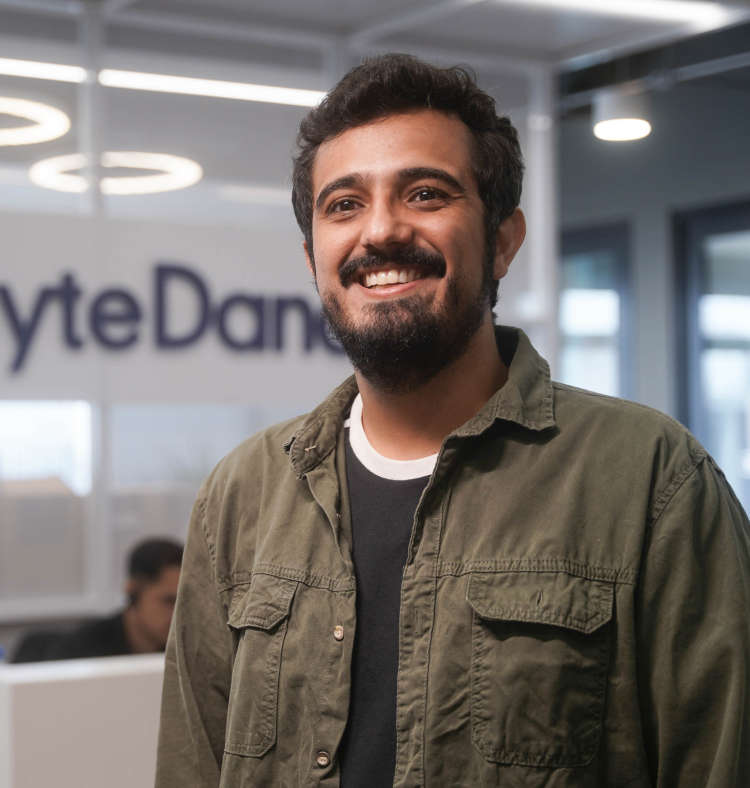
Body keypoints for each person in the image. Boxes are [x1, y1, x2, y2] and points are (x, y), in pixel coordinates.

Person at [155, 54, 750, 788]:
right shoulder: (241, 498)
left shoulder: (652, 481)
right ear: (313, 258)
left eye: (425, 193)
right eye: (344, 205)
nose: (380, 231)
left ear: (502, 238)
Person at [48, 538, 183, 660]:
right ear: (133, 590)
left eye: (187, 603)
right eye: (169, 601)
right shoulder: (80, 652)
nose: (180, 615)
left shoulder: (192, 648)